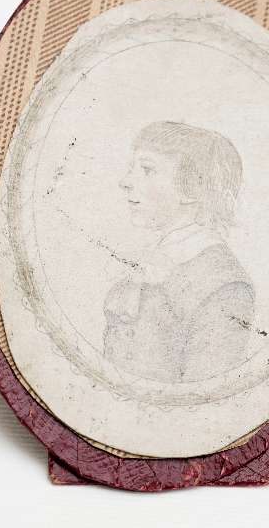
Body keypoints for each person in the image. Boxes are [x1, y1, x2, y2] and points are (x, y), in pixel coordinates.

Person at [103, 121, 255, 383]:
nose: (125, 182)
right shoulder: (149, 260)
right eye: (131, 169)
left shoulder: (225, 285)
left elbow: (204, 393)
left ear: (192, 187)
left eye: (147, 170)